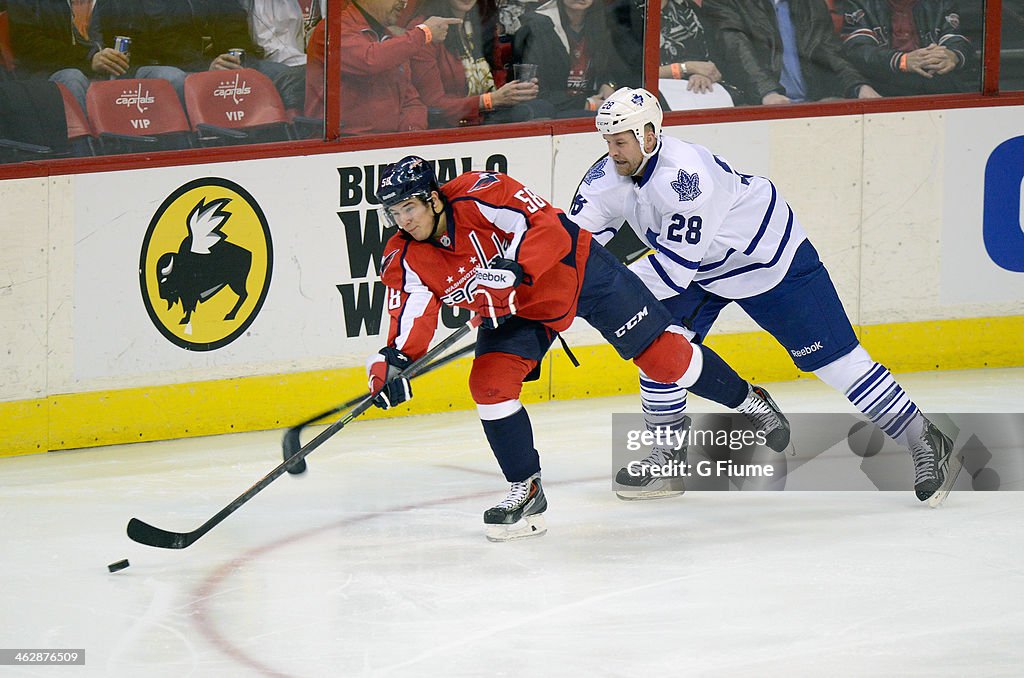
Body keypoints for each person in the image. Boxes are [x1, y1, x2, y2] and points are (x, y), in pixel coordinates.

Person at [571, 87, 964, 507]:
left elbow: (669, 274)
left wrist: (598, 294)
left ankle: (922, 436)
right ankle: (668, 456)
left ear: (650, 135)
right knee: (655, 348)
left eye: (621, 141)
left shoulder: (686, 180)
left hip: (768, 262)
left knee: (838, 365)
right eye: (608, 142)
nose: (613, 152)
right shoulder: (607, 174)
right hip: (699, 269)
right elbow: (575, 242)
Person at [369, 155, 793, 541]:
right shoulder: (404, 255)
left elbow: (549, 229)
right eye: (395, 212)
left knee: (666, 361)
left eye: (410, 207)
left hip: (578, 268)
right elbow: (411, 312)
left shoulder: (482, 191)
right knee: (489, 385)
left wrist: (517, 268)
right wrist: (395, 362)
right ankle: (527, 489)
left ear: (433, 200)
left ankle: (748, 400)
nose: (403, 220)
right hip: (522, 311)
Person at [303, 0, 460, 133]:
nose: (403, 3)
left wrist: (411, 137)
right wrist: (423, 33)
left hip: (386, 148)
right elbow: (370, 60)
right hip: (341, 147)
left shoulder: (391, 41)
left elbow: (411, 101)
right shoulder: (332, 30)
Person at [701, 0, 881, 105]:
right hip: (754, 108)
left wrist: (857, 86)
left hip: (811, 105)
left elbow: (827, 49)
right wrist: (768, 93)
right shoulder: (724, 2)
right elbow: (737, 50)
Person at [408, 0, 552, 127]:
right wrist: (490, 100)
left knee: (543, 107)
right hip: (453, 124)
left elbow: (497, 75)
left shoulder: (480, 23)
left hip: (488, 115)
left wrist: (515, 91)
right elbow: (434, 105)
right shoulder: (425, 30)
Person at [91, 0, 259, 103]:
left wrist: (232, 59)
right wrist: (93, 57)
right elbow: (96, 39)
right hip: (138, 69)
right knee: (175, 78)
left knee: (277, 73)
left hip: (197, 63)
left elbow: (233, 29)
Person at [606, 0, 738, 109]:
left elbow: (714, 55)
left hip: (696, 86)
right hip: (648, 93)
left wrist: (701, 73)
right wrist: (686, 68)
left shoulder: (687, 8)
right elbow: (633, 72)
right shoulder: (623, 12)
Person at [836, 0, 977, 96]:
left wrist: (952, 55)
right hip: (882, 84)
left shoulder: (940, 2)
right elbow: (857, 49)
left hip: (936, 83)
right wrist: (902, 60)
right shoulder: (860, 2)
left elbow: (956, 38)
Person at [512, 0, 627, 116]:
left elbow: (615, 69)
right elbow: (533, 93)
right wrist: (587, 104)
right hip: (554, 115)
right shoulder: (538, 27)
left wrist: (608, 84)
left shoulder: (603, 22)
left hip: (596, 107)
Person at [7, 0, 101, 108]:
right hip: (43, 70)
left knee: (121, 74)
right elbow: (29, 45)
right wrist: (87, 57)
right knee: (73, 79)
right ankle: (80, 125)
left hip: (85, 63)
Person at [240, 0, 324, 111]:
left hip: (300, 61)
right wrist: (313, 65)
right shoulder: (262, 4)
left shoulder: (292, 4)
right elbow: (270, 49)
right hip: (273, 65)